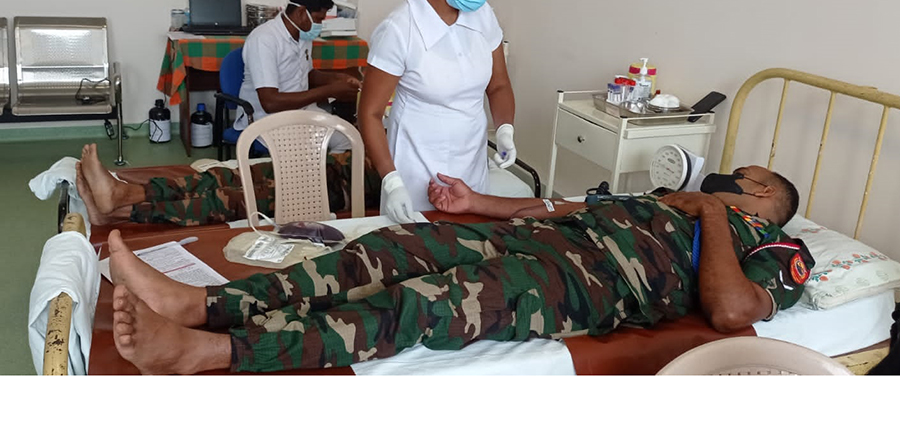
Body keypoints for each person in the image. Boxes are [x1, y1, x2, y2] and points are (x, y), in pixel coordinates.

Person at [107, 164, 814, 375]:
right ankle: (208, 303)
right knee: (384, 249)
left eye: (744, 175)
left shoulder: (768, 241)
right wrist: (478, 203)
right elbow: (563, 202)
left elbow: (732, 311)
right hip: (546, 239)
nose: (729, 172)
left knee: (422, 305)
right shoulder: (673, 201)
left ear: (763, 198)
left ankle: (213, 350)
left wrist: (711, 215)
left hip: (584, 285)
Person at [358, 0, 517, 224]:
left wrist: (505, 128)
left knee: (469, 247)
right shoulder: (399, 29)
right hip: (415, 167)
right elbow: (370, 113)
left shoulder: (483, 17)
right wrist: (391, 181)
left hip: (471, 161)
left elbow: (498, 85)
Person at [74, 143, 382, 226]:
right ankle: (124, 194)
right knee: (229, 176)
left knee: (239, 199)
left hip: (359, 187)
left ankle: (122, 211)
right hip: (345, 164)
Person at [236, 0, 361, 152]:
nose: (319, 25)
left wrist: (337, 78)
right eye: (318, 19)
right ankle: (308, 177)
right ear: (302, 12)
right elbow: (270, 102)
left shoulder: (303, 36)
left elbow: (307, 74)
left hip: (302, 112)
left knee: (350, 141)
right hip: (268, 119)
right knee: (310, 154)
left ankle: (324, 178)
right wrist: (330, 90)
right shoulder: (264, 39)